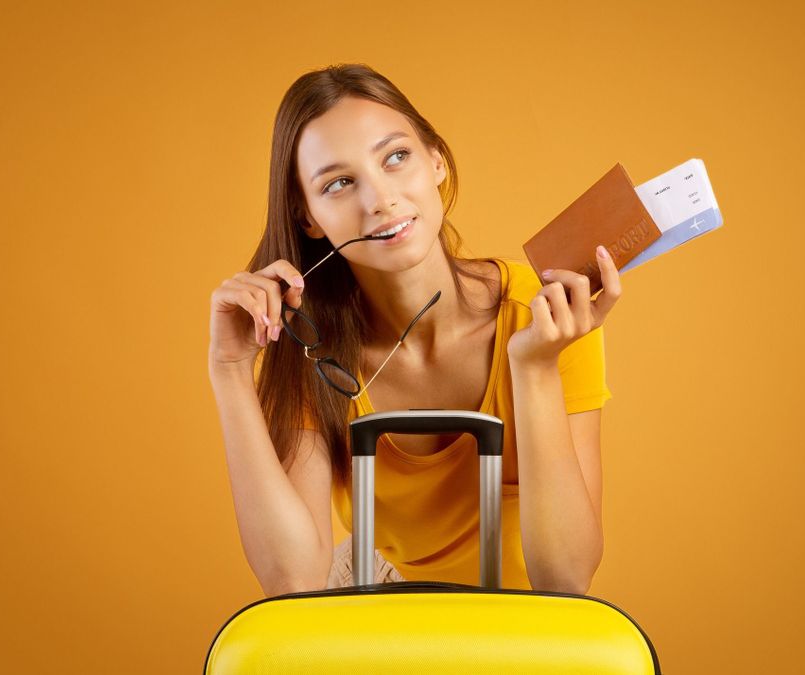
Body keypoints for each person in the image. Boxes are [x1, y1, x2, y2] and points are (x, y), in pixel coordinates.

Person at [208, 63, 622, 596]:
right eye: (338, 183)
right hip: (382, 595)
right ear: (308, 217)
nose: (379, 199)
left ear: (436, 162)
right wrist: (230, 370)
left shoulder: (543, 313)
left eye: (396, 158)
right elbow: (293, 582)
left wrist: (536, 368)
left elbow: (566, 577)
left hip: (521, 615)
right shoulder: (313, 345)